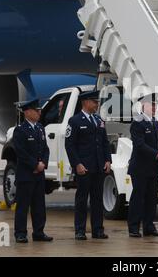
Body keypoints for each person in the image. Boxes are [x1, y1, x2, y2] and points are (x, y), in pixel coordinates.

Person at [65, 90, 112, 240]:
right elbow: (70, 145)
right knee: (82, 199)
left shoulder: (99, 121)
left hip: (98, 166)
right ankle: (80, 230)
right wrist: (77, 164)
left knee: (97, 199)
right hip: (84, 167)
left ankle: (98, 229)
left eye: (97, 102)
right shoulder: (75, 121)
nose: (97, 104)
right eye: (94, 102)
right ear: (85, 102)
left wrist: (107, 160)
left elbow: (105, 143)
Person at [127, 93, 158, 238]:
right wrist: (157, 155)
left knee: (151, 198)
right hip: (140, 167)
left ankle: (149, 226)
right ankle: (133, 227)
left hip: (153, 167)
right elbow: (139, 145)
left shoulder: (154, 122)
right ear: (143, 105)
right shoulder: (137, 123)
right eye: (151, 104)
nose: (154, 107)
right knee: (138, 198)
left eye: (155, 104)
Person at [13, 98, 53, 243]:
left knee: (39, 205)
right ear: (27, 112)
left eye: (40, 110)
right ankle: (20, 233)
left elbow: (45, 149)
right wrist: (35, 165)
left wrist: (43, 162)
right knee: (23, 205)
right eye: (37, 110)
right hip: (26, 174)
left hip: (39, 174)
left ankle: (39, 232)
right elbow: (21, 152)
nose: (39, 112)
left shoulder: (40, 128)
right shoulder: (20, 130)